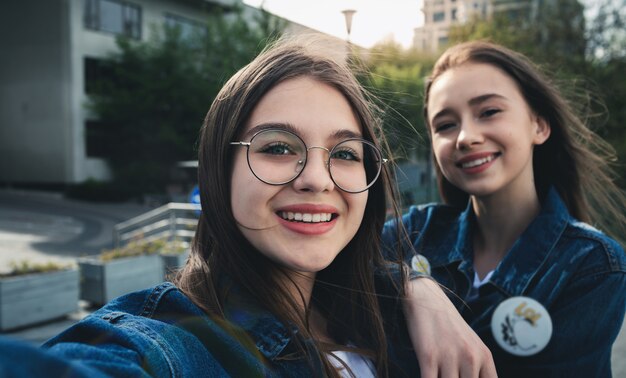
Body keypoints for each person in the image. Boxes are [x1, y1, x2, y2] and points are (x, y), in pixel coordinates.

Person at [0, 36, 496, 378]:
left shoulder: (389, 322)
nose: (317, 180)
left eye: (345, 154)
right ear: (220, 171)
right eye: (278, 147)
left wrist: (416, 287)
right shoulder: (175, 341)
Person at [383, 40, 626, 377]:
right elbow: (344, 268)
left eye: (489, 112)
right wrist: (415, 286)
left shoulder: (591, 265)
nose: (466, 137)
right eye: (446, 125)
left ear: (538, 126)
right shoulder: (413, 234)